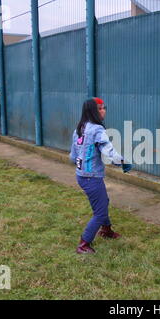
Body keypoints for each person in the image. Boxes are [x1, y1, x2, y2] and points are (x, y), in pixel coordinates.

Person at [69, 97, 132, 254]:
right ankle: (83, 244)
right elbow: (108, 150)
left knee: (103, 202)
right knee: (100, 211)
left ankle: (106, 230)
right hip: (91, 177)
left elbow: (72, 156)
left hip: (81, 175)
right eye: (100, 108)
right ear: (92, 111)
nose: (103, 110)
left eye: (104, 107)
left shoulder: (80, 128)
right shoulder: (97, 130)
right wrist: (122, 161)